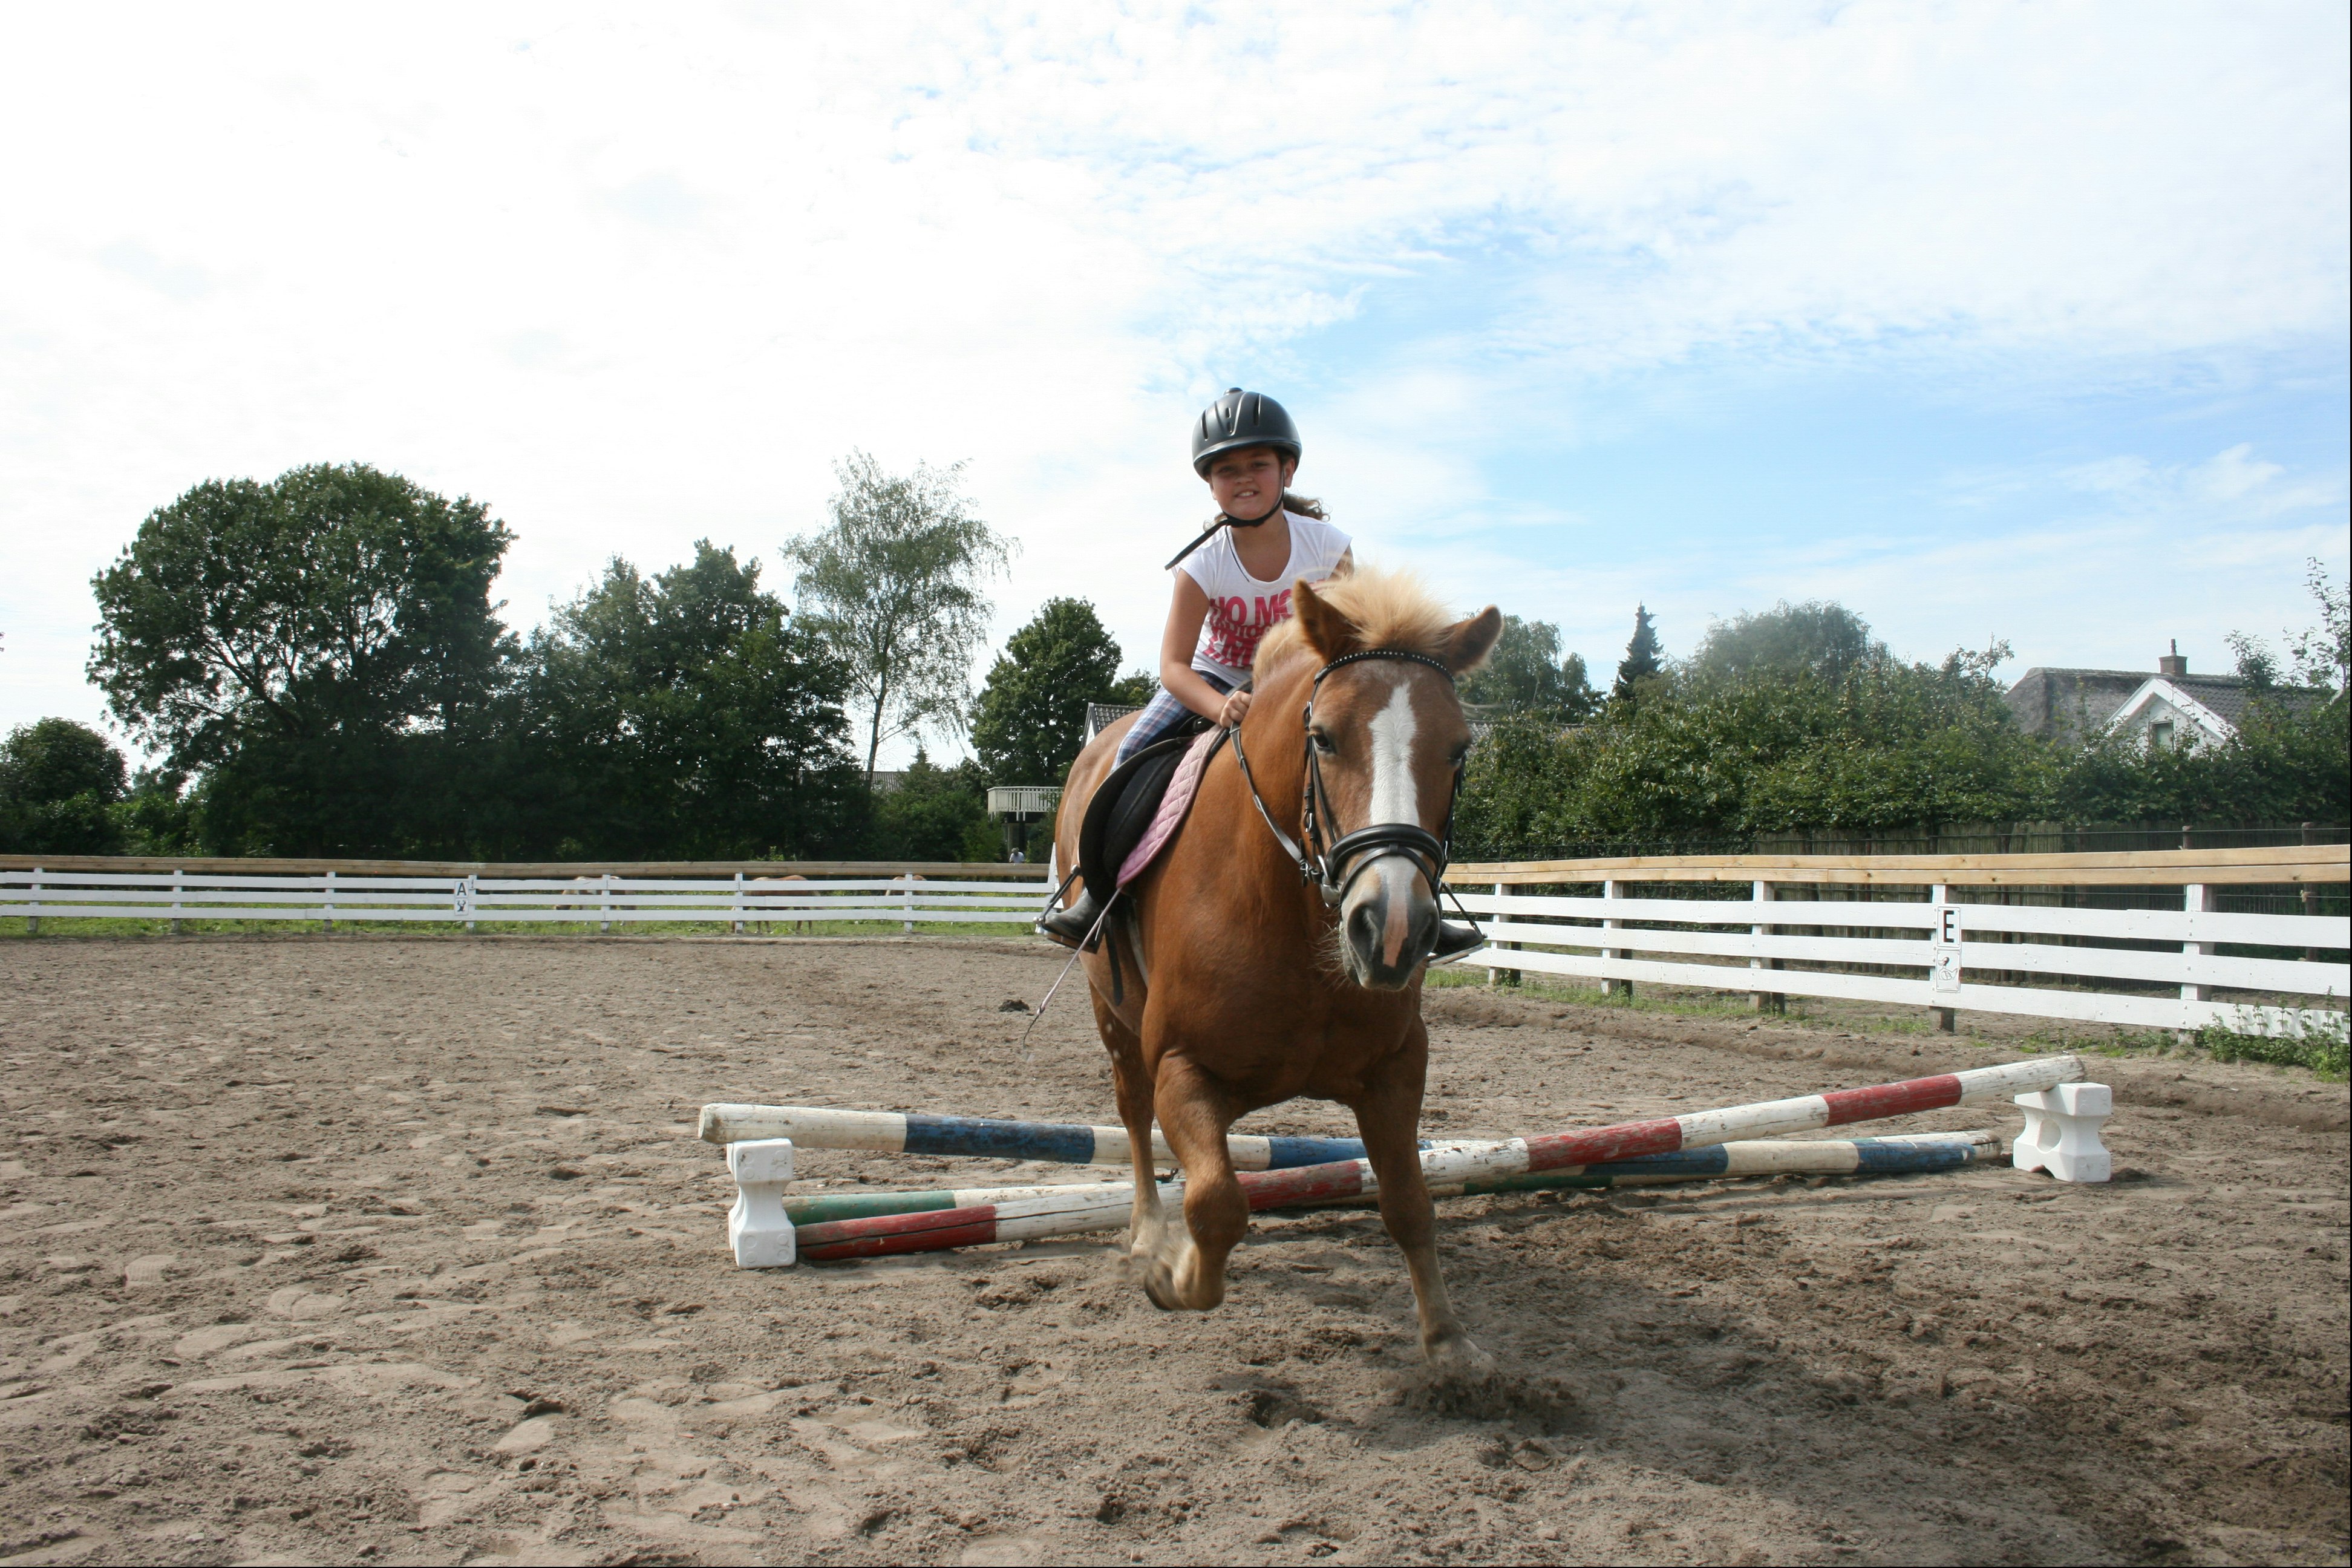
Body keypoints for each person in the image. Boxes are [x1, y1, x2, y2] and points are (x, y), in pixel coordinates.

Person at [1040, 388, 1480, 961]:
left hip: (1306, 683)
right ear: (1209, 482)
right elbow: (1173, 666)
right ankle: (1095, 896)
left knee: (1380, 763)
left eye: (1258, 466)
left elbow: (1355, 640)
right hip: (1216, 682)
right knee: (1129, 756)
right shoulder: (1203, 563)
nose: (1243, 479)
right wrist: (1215, 706)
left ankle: (1423, 901)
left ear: (1287, 470)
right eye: (1227, 471)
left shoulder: (1328, 546)